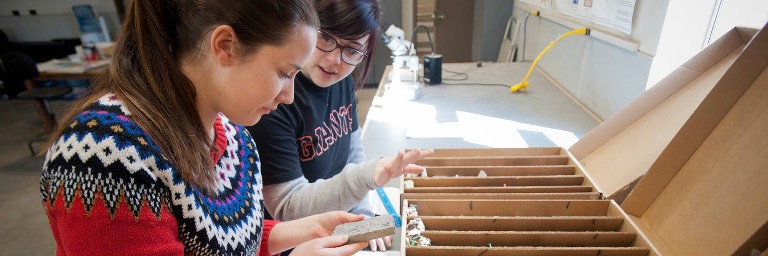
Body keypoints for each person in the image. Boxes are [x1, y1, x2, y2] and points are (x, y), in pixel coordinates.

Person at [39, 0, 369, 255]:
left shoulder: (236, 137)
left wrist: (304, 230)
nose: (289, 95)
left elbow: (230, 243)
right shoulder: (102, 156)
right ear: (225, 45)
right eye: (284, 72)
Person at [248, 0, 433, 252]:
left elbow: (351, 149)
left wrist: (361, 216)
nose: (334, 60)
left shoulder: (342, 79)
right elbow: (287, 208)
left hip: (336, 220)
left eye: (352, 49)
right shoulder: (276, 100)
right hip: (296, 240)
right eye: (325, 38)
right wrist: (367, 178)